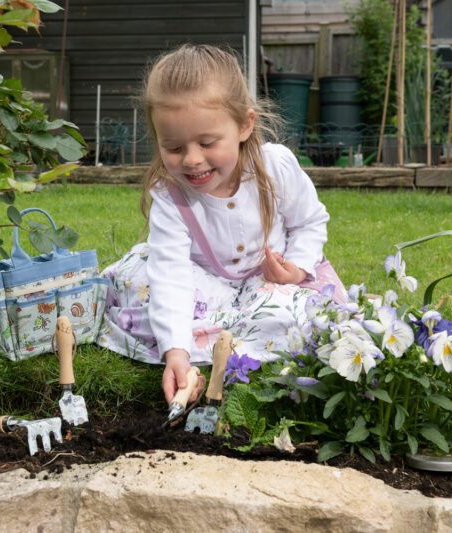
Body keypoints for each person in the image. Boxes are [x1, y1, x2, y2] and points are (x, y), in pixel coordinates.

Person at [97, 44, 344, 405]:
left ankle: (224, 338)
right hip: (201, 281)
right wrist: (176, 353)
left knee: (298, 316)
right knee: (148, 292)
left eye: (207, 142)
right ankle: (203, 346)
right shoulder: (170, 194)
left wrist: (297, 269)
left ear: (245, 125)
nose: (192, 160)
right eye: (173, 147)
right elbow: (171, 273)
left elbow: (310, 222)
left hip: (270, 281)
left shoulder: (276, 167)